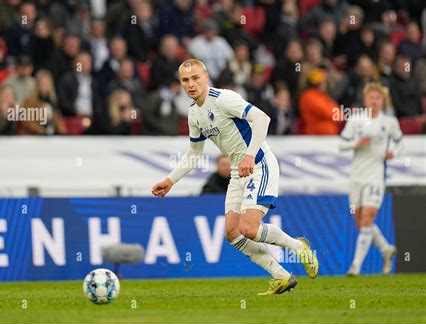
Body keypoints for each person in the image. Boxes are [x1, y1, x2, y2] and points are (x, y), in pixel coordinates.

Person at [151, 59, 319, 295]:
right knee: (232, 232)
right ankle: (282, 276)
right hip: (238, 171)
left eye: (195, 78)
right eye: (185, 80)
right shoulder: (193, 114)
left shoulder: (223, 99)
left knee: (249, 228)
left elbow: (263, 119)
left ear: (206, 76)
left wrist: (250, 155)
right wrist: (170, 180)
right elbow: (195, 152)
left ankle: (297, 246)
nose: (191, 84)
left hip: (259, 164)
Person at [339, 82, 402, 276]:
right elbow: (341, 144)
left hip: (375, 177)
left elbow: (400, 142)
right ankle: (385, 249)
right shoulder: (356, 120)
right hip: (357, 176)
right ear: (366, 100)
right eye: (371, 97)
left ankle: (356, 266)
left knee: (367, 219)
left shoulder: (389, 122)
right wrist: (357, 143)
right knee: (360, 222)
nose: (374, 101)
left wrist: (393, 152)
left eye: (378, 98)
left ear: (383, 101)